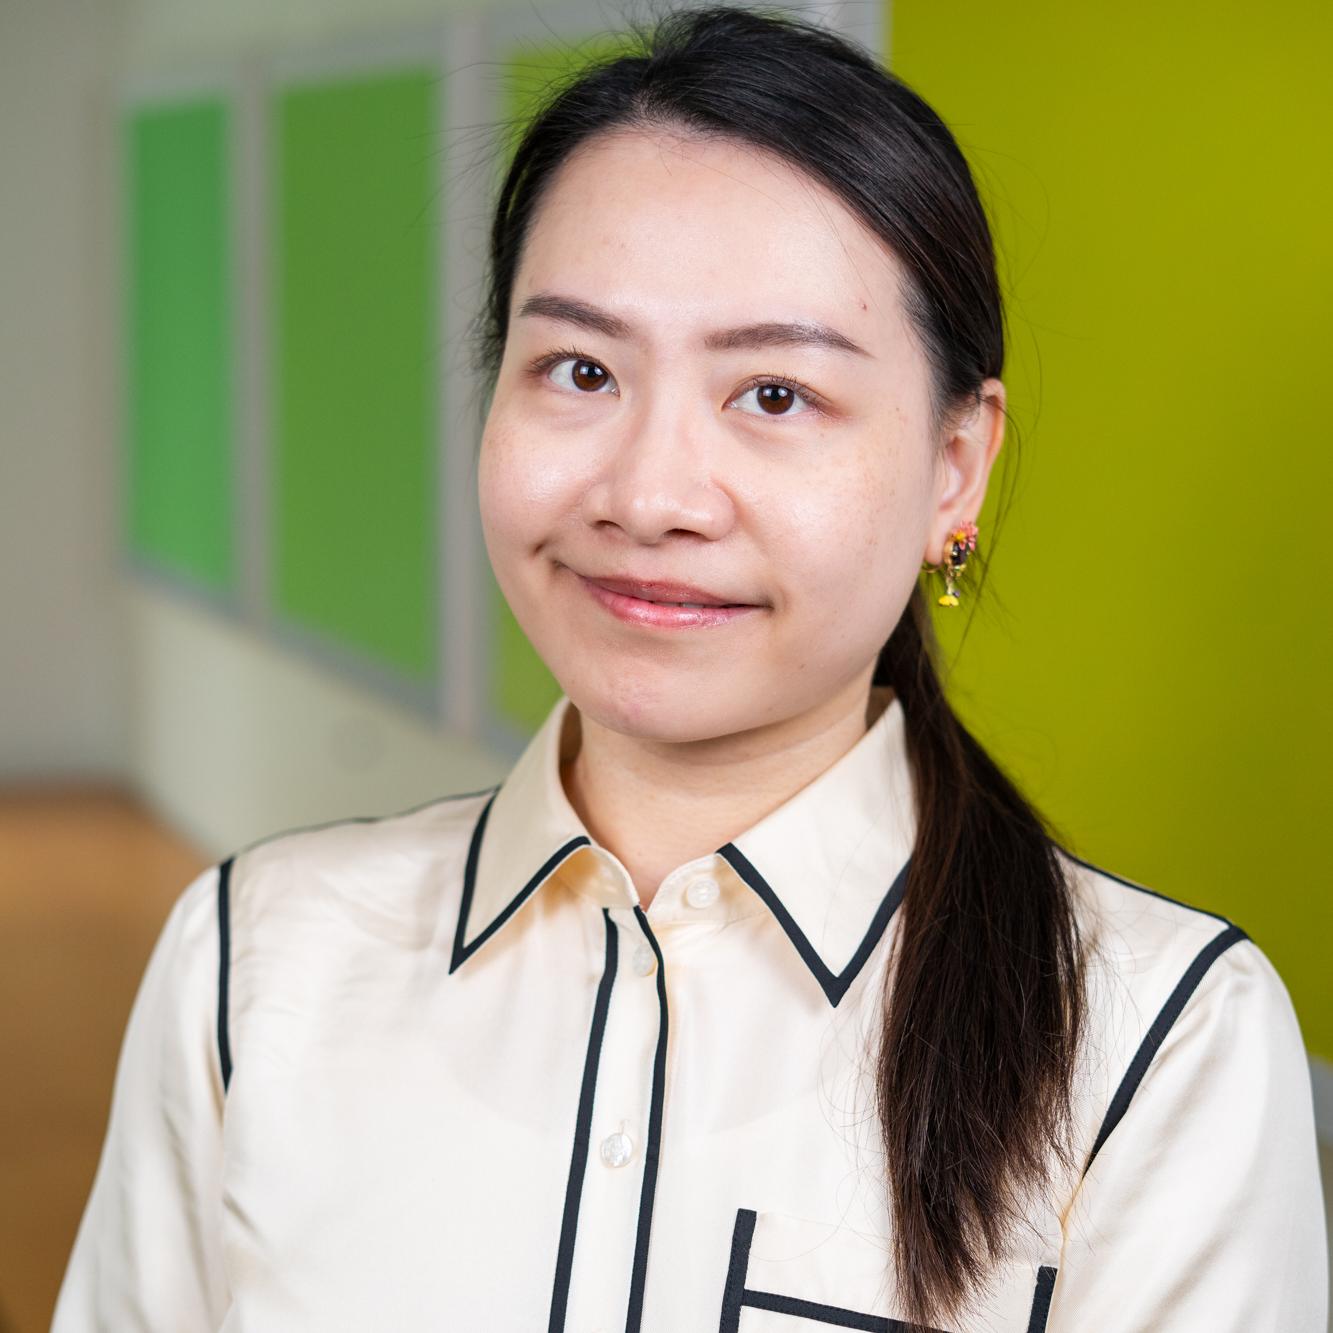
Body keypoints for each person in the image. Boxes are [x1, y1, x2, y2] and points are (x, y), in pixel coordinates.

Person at [53, 6, 1327, 1330]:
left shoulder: (1160, 1043)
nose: (649, 495)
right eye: (580, 369)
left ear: (954, 467)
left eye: (774, 394)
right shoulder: (254, 961)